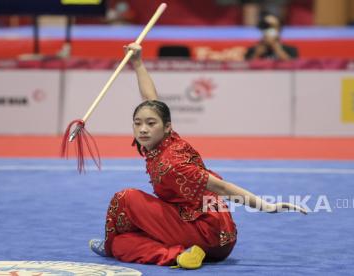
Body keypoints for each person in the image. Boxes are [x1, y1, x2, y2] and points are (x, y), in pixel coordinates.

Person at [89, 43, 307, 269]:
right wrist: (138, 63)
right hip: (211, 233)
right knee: (124, 243)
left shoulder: (173, 162)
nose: (143, 129)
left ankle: (170, 254)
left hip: (206, 232)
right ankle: (181, 254)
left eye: (150, 124)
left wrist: (266, 206)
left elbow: (222, 188)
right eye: (138, 124)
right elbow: (151, 100)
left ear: (166, 127)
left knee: (125, 199)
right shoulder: (166, 138)